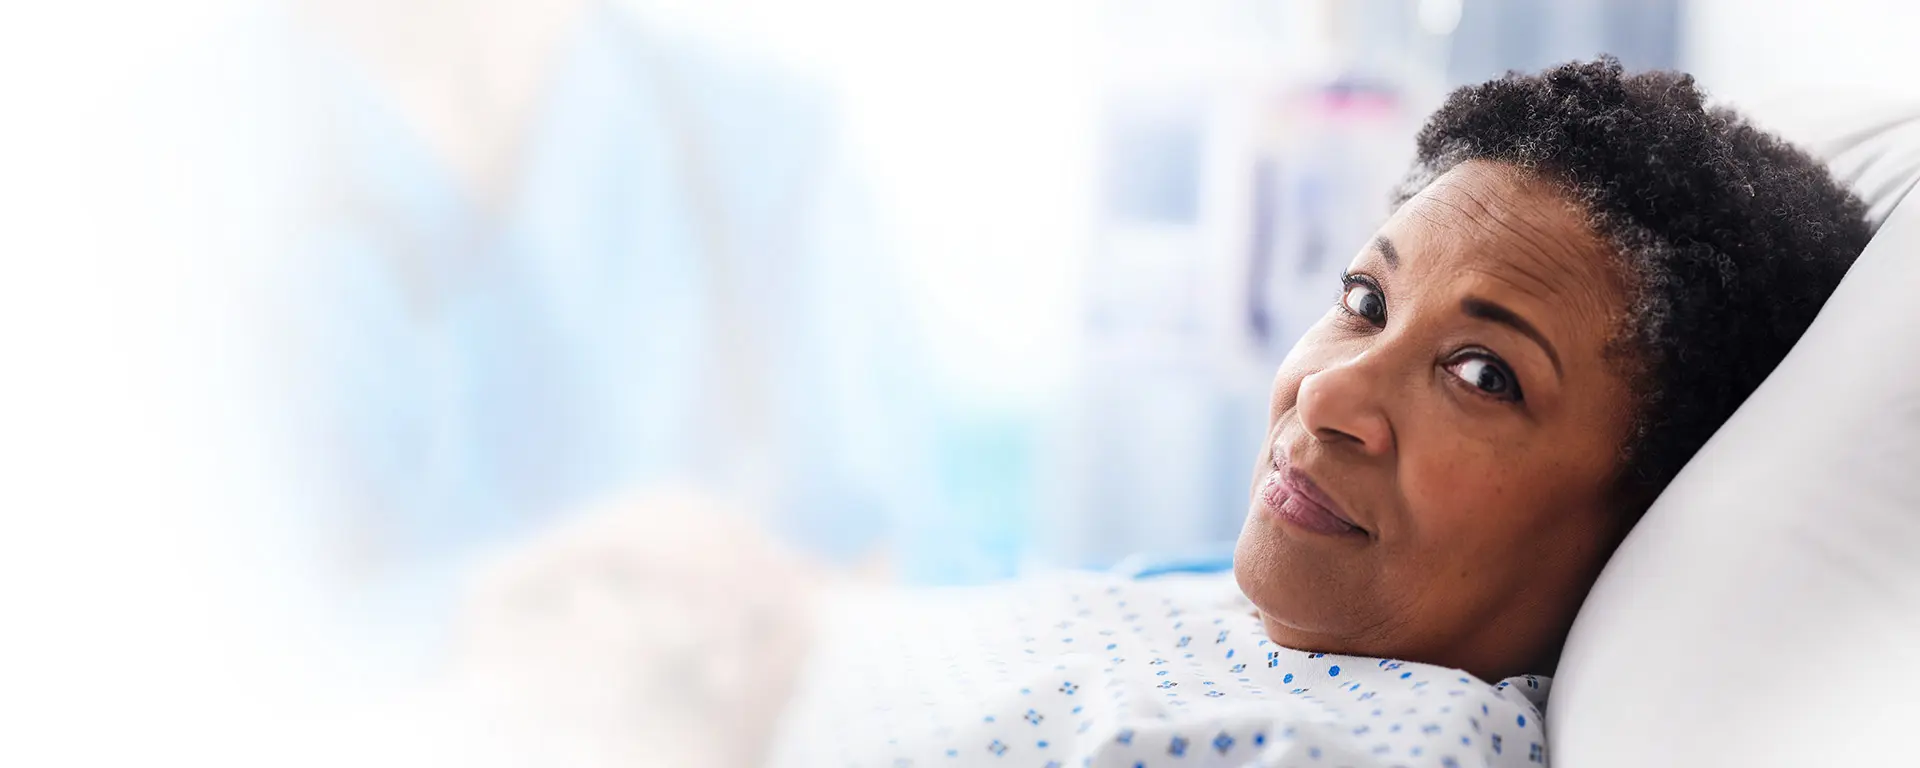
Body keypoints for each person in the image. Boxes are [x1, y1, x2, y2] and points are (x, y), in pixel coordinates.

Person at [463, 58, 1873, 768]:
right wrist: (769, 626)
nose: (1329, 391)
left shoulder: (1385, 744)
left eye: (1483, 374)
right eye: (1368, 304)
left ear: (1642, 513)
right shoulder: (1291, 629)